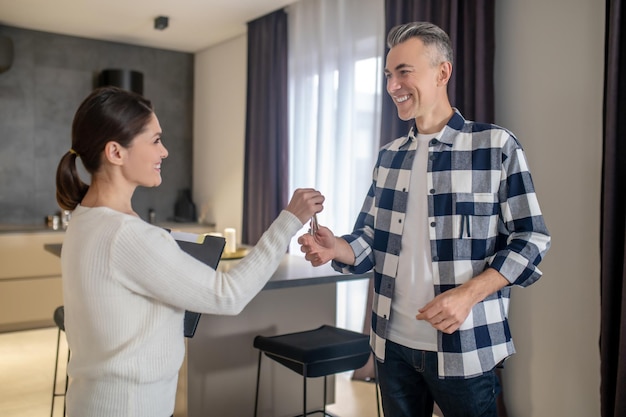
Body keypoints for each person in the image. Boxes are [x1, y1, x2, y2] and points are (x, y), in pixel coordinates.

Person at [298, 22, 550, 417]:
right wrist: (337, 247)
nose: (392, 85)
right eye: (388, 74)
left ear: (442, 72)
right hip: (391, 347)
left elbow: (532, 238)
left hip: (466, 349)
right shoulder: (389, 157)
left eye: (404, 71)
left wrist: (468, 294)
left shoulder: (495, 146)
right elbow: (370, 240)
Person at [55, 86, 324, 417]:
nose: (164, 151)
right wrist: (289, 221)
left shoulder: (83, 219)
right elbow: (229, 295)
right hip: (130, 406)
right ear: (116, 152)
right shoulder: (127, 235)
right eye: (154, 140)